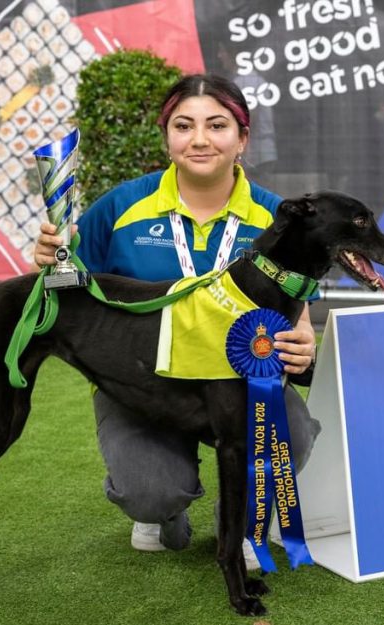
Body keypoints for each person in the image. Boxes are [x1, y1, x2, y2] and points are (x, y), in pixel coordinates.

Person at [33, 74, 319, 569]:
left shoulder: (277, 215)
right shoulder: (123, 207)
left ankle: (246, 519)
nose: (200, 139)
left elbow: (297, 295)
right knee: (151, 492)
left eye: (217, 125)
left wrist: (305, 336)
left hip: (243, 383)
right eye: (184, 126)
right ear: (167, 138)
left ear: (242, 139)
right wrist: (46, 256)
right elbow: (68, 277)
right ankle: (161, 510)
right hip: (141, 381)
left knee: (290, 435)